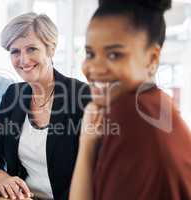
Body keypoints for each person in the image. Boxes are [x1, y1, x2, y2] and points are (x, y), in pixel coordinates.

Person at [70, 0, 191, 199]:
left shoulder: (130, 113)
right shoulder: (156, 104)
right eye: (90, 53)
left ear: (152, 58)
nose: (94, 68)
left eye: (114, 55)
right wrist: (87, 141)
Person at [0, 13, 91, 200]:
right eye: (15, 52)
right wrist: (1, 177)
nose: (23, 60)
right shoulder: (14, 94)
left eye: (31, 49)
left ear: (51, 49)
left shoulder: (82, 96)